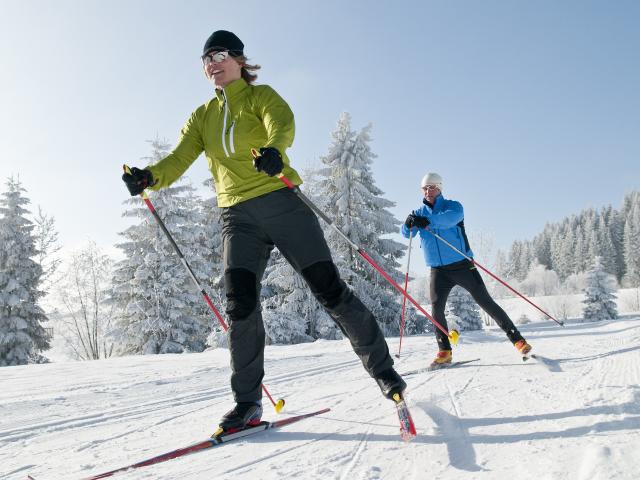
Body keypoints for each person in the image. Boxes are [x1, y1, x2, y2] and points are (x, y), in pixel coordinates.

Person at [122, 30, 406, 431]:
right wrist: (149, 176)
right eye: (205, 59)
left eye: (219, 55)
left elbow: (281, 125)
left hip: (281, 202)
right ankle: (247, 403)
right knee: (240, 306)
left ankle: (384, 373)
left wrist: (274, 151)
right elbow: (180, 157)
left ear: (239, 59)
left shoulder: (260, 97)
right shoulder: (202, 116)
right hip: (237, 217)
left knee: (329, 290)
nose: (211, 64)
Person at [401, 172, 532, 368]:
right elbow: (406, 234)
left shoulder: (453, 207)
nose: (428, 191)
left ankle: (518, 340)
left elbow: (447, 221)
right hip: (438, 270)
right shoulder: (419, 212)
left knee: (485, 302)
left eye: (432, 187)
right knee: (436, 310)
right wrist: (408, 223)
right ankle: (444, 351)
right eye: (425, 188)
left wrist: (427, 221)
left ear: (440, 188)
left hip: (462, 265)